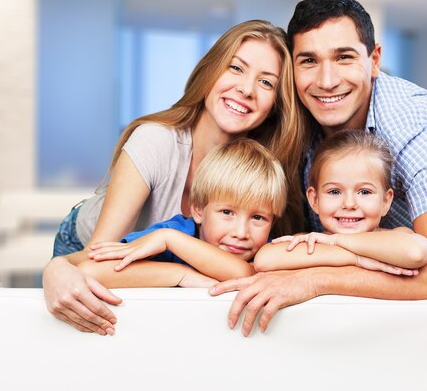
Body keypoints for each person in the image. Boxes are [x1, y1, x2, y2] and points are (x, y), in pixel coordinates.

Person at [209, 0, 427, 337]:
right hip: (364, 279)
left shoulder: (419, 125)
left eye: (344, 57)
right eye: (308, 61)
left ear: (375, 59)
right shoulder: (295, 116)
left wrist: (315, 280)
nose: (326, 80)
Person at [43, 20, 308, 335]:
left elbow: (248, 270)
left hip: (166, 260)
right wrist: (56, 268)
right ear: (210, 70)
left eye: (266, 83)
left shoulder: (261, 168)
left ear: (276, 104)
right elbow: (95, 260)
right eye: (236, 68)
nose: (247, 89)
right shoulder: (155, 141)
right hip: (88, 245)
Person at [77, 139, 287, 288]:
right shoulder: (172, 233)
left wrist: (170, 240)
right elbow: (89, 271)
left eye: (258, 218)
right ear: (197, 210)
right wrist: (181, 275)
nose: (241, 232)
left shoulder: (267, 252)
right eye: (227, 212)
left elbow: (243, 273)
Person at [254, 129, 427, 275]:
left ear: (386, 201)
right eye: (334, 191)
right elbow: (264, 259)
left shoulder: (396, 236)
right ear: (314, 200)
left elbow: (415, 253)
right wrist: (356, 259)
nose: (349, 204)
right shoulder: (309, 242)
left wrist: (336, 241)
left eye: (364, 192)